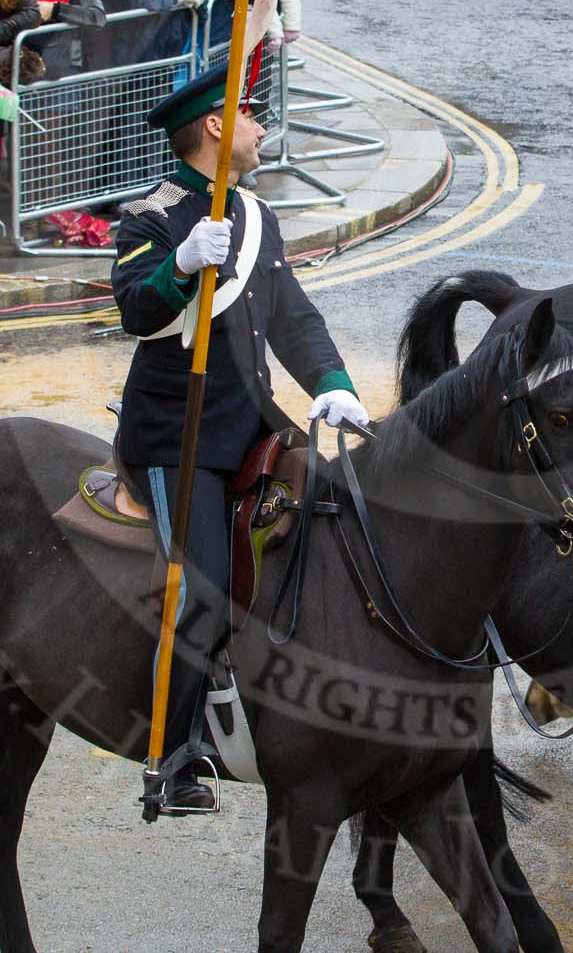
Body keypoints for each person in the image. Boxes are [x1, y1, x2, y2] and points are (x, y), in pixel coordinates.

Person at [111, 68, 366, 814]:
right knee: (203, 589)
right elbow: (134, 311)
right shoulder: (150, 215)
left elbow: (293, 317)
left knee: (340, 526)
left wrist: (334, 381)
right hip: (175, 436)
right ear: (216, 127)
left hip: (254, 425)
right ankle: (171, 755)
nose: (259, 125)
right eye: (248, 114)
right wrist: (182, 265)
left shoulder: (258, 216)